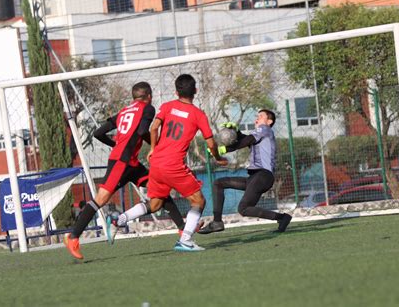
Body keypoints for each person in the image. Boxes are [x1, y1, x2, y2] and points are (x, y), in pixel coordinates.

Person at [64, 81, 185, 260]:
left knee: (160, 188)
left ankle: (183, 230)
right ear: (149, 96)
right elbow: (144, 129)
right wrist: (155, 145)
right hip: (122, 162)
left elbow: (98, 133)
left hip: (131, 163)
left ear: (133, 97)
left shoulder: (123, 112)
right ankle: (73, 237)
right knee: (101, 199)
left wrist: (116, 144)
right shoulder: (147, 108)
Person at [112, 74, 227, 252]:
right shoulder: (198, 114)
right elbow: (210, 142)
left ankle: (119, 220)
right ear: (195, 91)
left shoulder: (167, 106)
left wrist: (152, 149)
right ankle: (186, 240)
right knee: (198, 201)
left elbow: (153, 128)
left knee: (155, 204)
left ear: (176, 91)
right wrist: (218, 158)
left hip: (156, 163)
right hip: (173, 165)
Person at [199, 109, 292, 234]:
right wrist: (236, 131)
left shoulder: (265, 129)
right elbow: (247, 140)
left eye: (260, 116)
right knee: (218, 183)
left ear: (269, 121)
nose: (256, 119)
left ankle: (282, 217)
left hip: (263, 176)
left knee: (243, 208)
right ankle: (217, 222)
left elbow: (247, 141)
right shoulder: (261, 135)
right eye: (256, 116)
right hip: (255, 178)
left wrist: (224, 149)